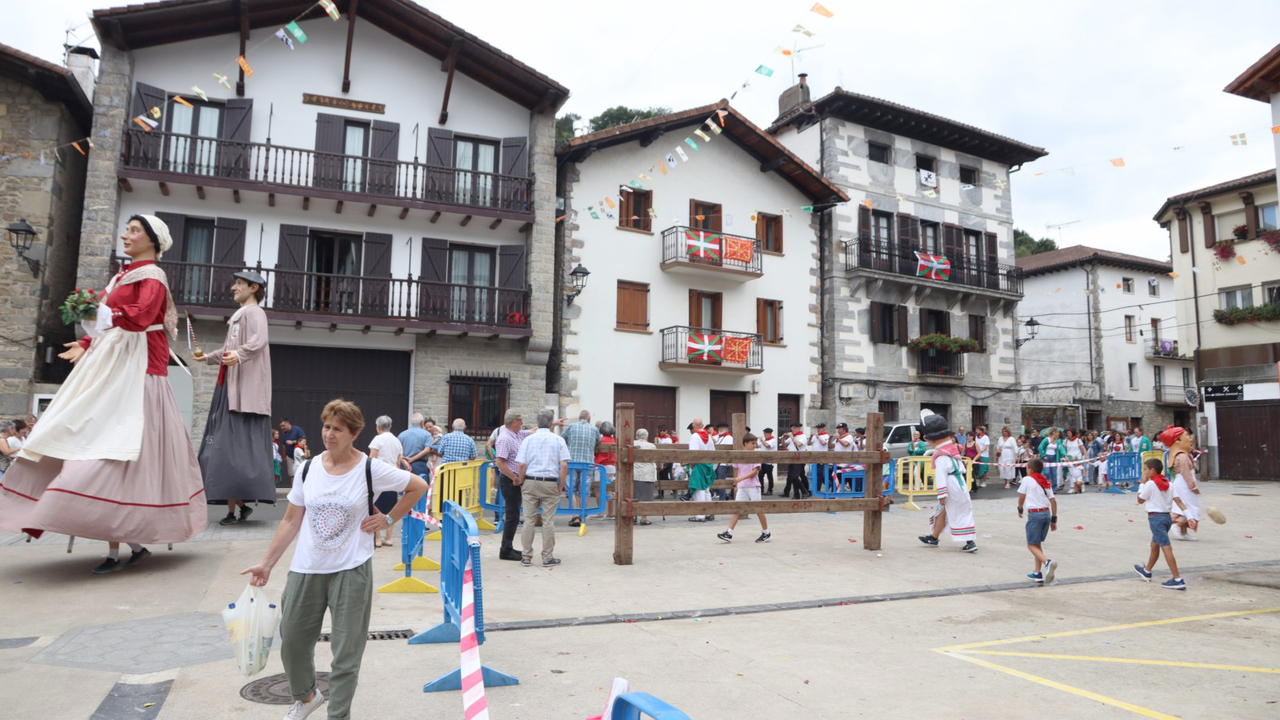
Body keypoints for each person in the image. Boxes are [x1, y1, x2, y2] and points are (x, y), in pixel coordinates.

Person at [0, 215, 206, 573]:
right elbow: (108, 323)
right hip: (111, 365)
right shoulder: (121, 276)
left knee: (116, 456)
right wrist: (85, 341)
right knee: (94, 440)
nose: (125, 235)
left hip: (140, 372)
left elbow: (140, 317)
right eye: (126, 229)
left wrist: (102, 314)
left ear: (153, 241)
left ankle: (123, 544)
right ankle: (125, 547)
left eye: (134, 231)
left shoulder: (152, 276)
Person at [241, 399, 427, 720]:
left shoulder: (369, 468)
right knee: (293, 642)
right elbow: (290, 520)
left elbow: (418, 486)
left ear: (354, 434)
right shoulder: (308, 468)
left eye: (338, 429)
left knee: (345, 654)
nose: (329, 434)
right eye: (326, 427)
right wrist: (267, 563)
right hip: (306, 569)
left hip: (351, 570)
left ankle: (338, 716)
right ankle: (306, 697)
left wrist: (388, 519)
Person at [196, 270, 275, 527]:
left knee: (228, 449)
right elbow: (229, 350)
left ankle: (236, 509)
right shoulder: (239, 316)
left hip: (243, 392)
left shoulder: (255, 313)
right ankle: (238, 507)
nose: (233, 287)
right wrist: (208, 357)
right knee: (226, 451)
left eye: (240, 283)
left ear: (253, 288)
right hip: (230, 388)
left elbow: (259, 341)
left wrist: (239, 356)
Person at [516, 409, 571, 567]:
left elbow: (521, 464)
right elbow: (564, 465)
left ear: (537, 422)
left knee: (529, 520)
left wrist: (521, 481)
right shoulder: (558, 440)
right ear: (551, 422)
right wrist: (561, 485)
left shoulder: (528, 440)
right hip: (550, 482)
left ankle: (526, 556)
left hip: (530, 480)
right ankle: (547, 557)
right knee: (548, 521)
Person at [918, 410, 977, 553]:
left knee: (958, 512)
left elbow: (941, 477)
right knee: (943, 511)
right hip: (959, 484)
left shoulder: (941, 457)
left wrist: (942, 495)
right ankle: (934, 537)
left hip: (952, 486)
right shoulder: (952, 453)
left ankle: (970, 542)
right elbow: (961, 469)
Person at [1133, 457, 1188, 590]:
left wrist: (1142, 485)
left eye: (1146, 469)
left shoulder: (1150, 484)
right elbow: (1179, 501)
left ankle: (1177, 578)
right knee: (1155, 544)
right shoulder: (1169, 483)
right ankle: (1147, 570)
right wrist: (1189, 515)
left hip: (1155, 518)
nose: (1145, 472)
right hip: (1166, 517)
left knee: (1165, 547)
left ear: (1152, 470)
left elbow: (1140, 500)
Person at [493, 409, 533, 560]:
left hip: (513, 479)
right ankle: (506, 549)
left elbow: (532, 431)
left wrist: (551, 423)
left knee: (514, 515)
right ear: (515, 422)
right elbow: (500, 462)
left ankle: (507, 547)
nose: (522, 423)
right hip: (510, 480)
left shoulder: (516, 434)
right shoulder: (505, 438)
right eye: (520, 420)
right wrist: (514, 477)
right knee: (512, 516)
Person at [716, 433, 769, 543]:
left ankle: (766, 532)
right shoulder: (739, 456)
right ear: (745, 444)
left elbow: (754, 472)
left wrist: (740, 479)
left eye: (755, 443)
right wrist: (736, 484)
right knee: (737, 509)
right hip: (742, 486)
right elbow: (736, 470)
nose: (755, 445)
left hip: (753, 486)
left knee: (758, 509)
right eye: (752, 443)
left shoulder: (756, 456)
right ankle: (729, 532)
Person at [1017, 458, 1058, 584]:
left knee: (1031, 544)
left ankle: (1047, 562)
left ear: (1030, 470)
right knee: (1037, 544)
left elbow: (1022, 496)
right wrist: (1054, 519)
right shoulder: (1045, 481)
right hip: (1046, 514)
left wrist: (1020, 508)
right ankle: (1037, 573)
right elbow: (1053, 501)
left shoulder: (1027, 479)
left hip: (1035, 515)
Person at [367, 415, 405, 548]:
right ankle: (389, 537)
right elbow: (398, 462)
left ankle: (377, 538)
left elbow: (372, 459)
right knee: (391, 508)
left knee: (376, 506)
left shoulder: (378, 439)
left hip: (379, 477)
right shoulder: (397, 441)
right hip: (393, 477)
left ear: (378, 427)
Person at [561, 410, 601, 527]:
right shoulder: (594, 429)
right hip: (587, 463)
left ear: (579, 418)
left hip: (572, 462)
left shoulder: (571, 426)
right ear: (589, 419)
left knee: (571, 489)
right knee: (585, 490)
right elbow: (598, 440)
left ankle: (575, 516)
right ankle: (582, 515)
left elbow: (562, 439)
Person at [1162, 426, 1202, 541]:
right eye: (1186, 436)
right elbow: (1186, 473)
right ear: (1178, 440)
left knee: (1186, 506)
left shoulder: (1182, 455)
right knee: (1188, 507)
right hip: (1184, 484)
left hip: (1182, 483)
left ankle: (1183, 532)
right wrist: (1193, 486)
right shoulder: (1182, 456)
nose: (1190, 439)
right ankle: (1177, 525)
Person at [686, 418, 717, 522]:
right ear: (702, 425)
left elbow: (693, 453)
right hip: (708, 465)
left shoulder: (695, 436)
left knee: (699, 490)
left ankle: (700, 515)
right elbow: (713, 451)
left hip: (698, 465)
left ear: (693, 426)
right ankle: (708, 512)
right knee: (706, 489)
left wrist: (691, 466)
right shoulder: (709, 436)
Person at [398, 413, 433, 481]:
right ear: (421, 422)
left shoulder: (401, 435)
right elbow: (427, 450)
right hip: (420, 466)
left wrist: (404, 461)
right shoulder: (427, 435)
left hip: (404, 467)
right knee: (421, 486)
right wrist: (412, 459)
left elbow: (398, 452)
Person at [632, 429, 657, 525]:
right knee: (646, 497)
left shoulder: (633, 444)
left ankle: (633, 516)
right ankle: (644, 518)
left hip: (635, 472)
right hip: (648, 474)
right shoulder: (652, 446)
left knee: (634, 495)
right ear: (646, 436)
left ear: (636, 436)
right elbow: (656, 458)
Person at [782, 422, 809, 499]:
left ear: (798, 428)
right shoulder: (793, 436)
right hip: (792, 459)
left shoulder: (802, 436)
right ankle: (796, 494)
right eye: (792, 428)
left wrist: (792, 437)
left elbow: (799, 444)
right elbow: (785, 445)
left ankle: (804, 491)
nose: (792, 429)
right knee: (791, 477)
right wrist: (783, 438)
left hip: (799, 459)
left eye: (794, 428)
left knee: (795, 477)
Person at [597, 421, 618, 516]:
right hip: (611, 466)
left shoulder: (600, 440)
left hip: (600, 466)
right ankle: (610, 512)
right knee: (609, 489)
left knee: (598, 488)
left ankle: (600, 511)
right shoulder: (614, 441)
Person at [808, 422, 830, 493]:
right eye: (818, 428)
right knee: (813, 473)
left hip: (821, 457)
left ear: (823, 429)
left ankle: (818, 489)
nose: (818, 429)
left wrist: (817, 437)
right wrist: (810, 438)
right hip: (814, 457)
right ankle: (827, 484)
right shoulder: (815, 436)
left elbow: (824, 443)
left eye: (820, 428)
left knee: (819, 474)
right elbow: (809, 444)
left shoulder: (826, 435)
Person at [1064, 429, 1085, 494]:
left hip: (1078, 458)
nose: (1068, 434)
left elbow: (1083, 448)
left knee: (1078, 473)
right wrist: (1065, 457)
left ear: (1073, 433)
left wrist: (1086, 456)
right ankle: (1072, 487)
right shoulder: (1066, 441)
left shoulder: (1078, 440)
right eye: (1067, 433)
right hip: (1070, 458)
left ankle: (1081, 485)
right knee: (1071, 474)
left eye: (1069, 433)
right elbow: (1064, 450)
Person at [758, 427, 777, 496]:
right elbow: (757, 446)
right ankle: (761, 489)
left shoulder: (773, 440)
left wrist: (762, 440)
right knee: (760, 475)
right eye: (764, 433)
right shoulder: (764, 440)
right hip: (763, 461)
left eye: (766, 433)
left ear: (770, 433)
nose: (765, 434)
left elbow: (767, 445)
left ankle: (770, 490)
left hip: (769, 462)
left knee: (769, 477)